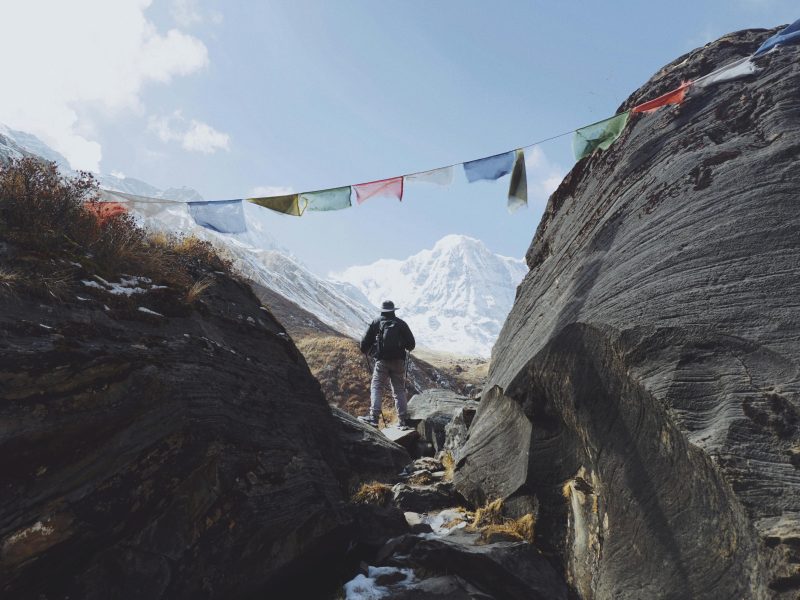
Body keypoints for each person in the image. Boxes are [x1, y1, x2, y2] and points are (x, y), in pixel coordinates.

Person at [359, 300, 415, 428]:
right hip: (398, 362)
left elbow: (363, 345)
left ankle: (373, 418)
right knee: (399, 390)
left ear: (382, 310)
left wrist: (370, 350)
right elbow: (411, 344)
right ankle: (403, 421)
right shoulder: (401, 324)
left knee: (377, 387)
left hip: (382, 361)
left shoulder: (376, 322)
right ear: (394, 310)